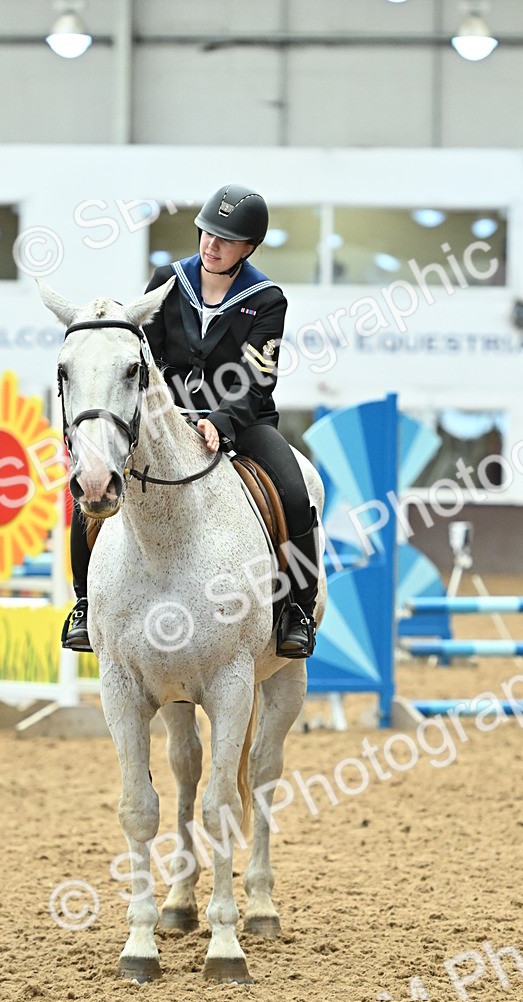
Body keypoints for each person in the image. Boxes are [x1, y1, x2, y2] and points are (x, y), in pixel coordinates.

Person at [62, 183, 319, 659]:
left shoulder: (266, 300)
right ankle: (83, 604)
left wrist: (222, 420)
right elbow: (144, 358)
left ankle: (297, 610)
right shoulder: (168, 281)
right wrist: (166, 416)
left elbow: (256, 377)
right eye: (206, 232)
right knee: (93, 482)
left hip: (242, 422)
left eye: (224, 239)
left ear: (249, 247)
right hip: (164, 423)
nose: (210, 245)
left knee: (296, 492)